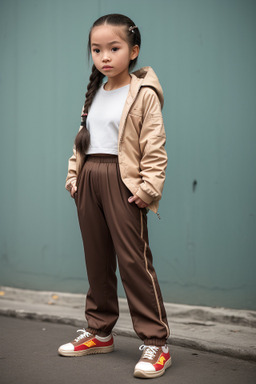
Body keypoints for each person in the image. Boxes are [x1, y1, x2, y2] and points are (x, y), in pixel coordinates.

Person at [58, 13, 171, 379]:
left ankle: (157, 343)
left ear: (133, 50)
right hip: (90, 179)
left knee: (134, 262)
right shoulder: (95, 91)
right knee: (97, 259)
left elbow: (154, 146)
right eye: (96, 49)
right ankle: (99, 331)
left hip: (124, 183)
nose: (104, 56)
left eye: (114, 48)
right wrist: (75, 175)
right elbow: (82, 141)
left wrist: (148, 188)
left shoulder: (144, 94)